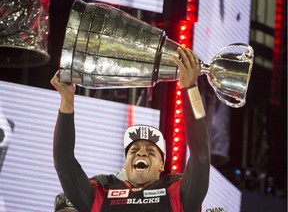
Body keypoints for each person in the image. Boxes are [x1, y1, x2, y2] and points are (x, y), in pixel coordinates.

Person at [51, 46, 210, 212]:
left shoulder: (177, 192)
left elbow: (201, 158)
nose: (141, 152)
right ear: (125, 165)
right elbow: (64, 163)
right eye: (133, 150)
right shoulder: (101, 191)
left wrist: (189, 88)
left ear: (162, 165)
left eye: (151, 151)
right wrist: (67, 99)